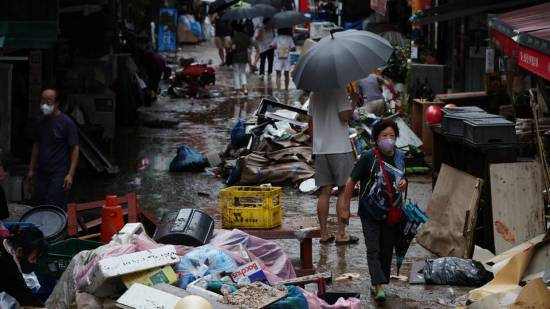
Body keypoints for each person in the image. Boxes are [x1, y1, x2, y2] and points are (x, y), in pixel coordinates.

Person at [341, 119, 407, 303]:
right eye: (384, 135)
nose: (389, 139)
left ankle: (377, 281)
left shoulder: (400, 157)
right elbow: (350, 182)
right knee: (373, 249)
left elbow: (403, 178)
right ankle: (379, 287)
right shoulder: (368, 157)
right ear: (376, 138)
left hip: (392, 211)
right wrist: (345, 208)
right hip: (369, 212)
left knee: (387, 249)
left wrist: (404, 184)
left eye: (392, 136)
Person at [307, 88, 361, 245]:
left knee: (325, 191)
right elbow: (344, 117)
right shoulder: (338, 91)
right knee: (343, 190)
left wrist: (314, 145)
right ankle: (341, 234)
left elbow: (310, 121)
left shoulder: (314, 94)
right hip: (339, 148)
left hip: (321, 149)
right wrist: (354, 102)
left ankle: (324, 234)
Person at [27, 89, 79, 209]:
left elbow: (74, 149)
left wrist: (70, 174)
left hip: (59, 172)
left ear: (57, 103)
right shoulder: (40, 121)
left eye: (49, 101)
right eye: (43, 100)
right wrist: (31, 169)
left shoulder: (66, 123)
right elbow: (37, 145)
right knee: (40, 202)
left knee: (54, 204)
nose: (45, 104)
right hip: (41, 171)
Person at [0, 225, 48, 308]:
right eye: (33, 258)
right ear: (19, 251)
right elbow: (26, 297)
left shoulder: (4, 242)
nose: (35, 262)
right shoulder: (8, 268)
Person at [231, 22, 251, 95]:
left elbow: (233, 48)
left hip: (236, 58)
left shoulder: (235, 36)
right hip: (244, 57)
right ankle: (245, 89)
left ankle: (237, 89)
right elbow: (249, 46)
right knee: (243, 73)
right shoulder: (246, 36)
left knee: (236, 73)